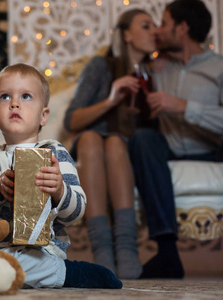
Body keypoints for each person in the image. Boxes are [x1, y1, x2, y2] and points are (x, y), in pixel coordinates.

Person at [0, 63, 122, 289]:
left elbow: (76, 212)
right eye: (5, 97)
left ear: (43, 116)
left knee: (28, 264)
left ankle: (67, 273)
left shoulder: (55, 153)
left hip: (41, 252)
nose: (14, 103)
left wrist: (59, 191)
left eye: (26, 96)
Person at [129, 0, 223, 279]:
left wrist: (185, 107)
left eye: (164, 24)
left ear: (182, 28)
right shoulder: (158, 66)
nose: (158, 31)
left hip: (216, 149)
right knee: (142, 139)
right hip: (170, 147)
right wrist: (148, 61)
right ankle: (167, 254)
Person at [63, 9, 157, 279]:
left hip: (123, 150)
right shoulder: (100, 66)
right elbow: (72, 120)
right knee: (92, 138)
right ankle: (101, 246)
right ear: (126, 34)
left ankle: (126, 246)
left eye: (155, 27)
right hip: (89, 146)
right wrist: (112, 99)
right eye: (146, 26)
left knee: (115, 142)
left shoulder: (155, 73)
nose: (154, 32)